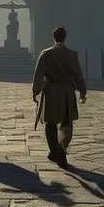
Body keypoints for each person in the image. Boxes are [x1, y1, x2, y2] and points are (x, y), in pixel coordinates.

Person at [32, 27, 86, 169]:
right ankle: (61, 149)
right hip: (67, 91)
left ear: (53, 37)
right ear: (65, 37)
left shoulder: (46, 54)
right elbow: (78, 75)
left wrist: (35, 90)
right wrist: (82, 91)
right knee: (67, 123)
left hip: (50, 91)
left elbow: (38, 74)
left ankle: (54, 151)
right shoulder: (72, 55)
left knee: (50, 124)